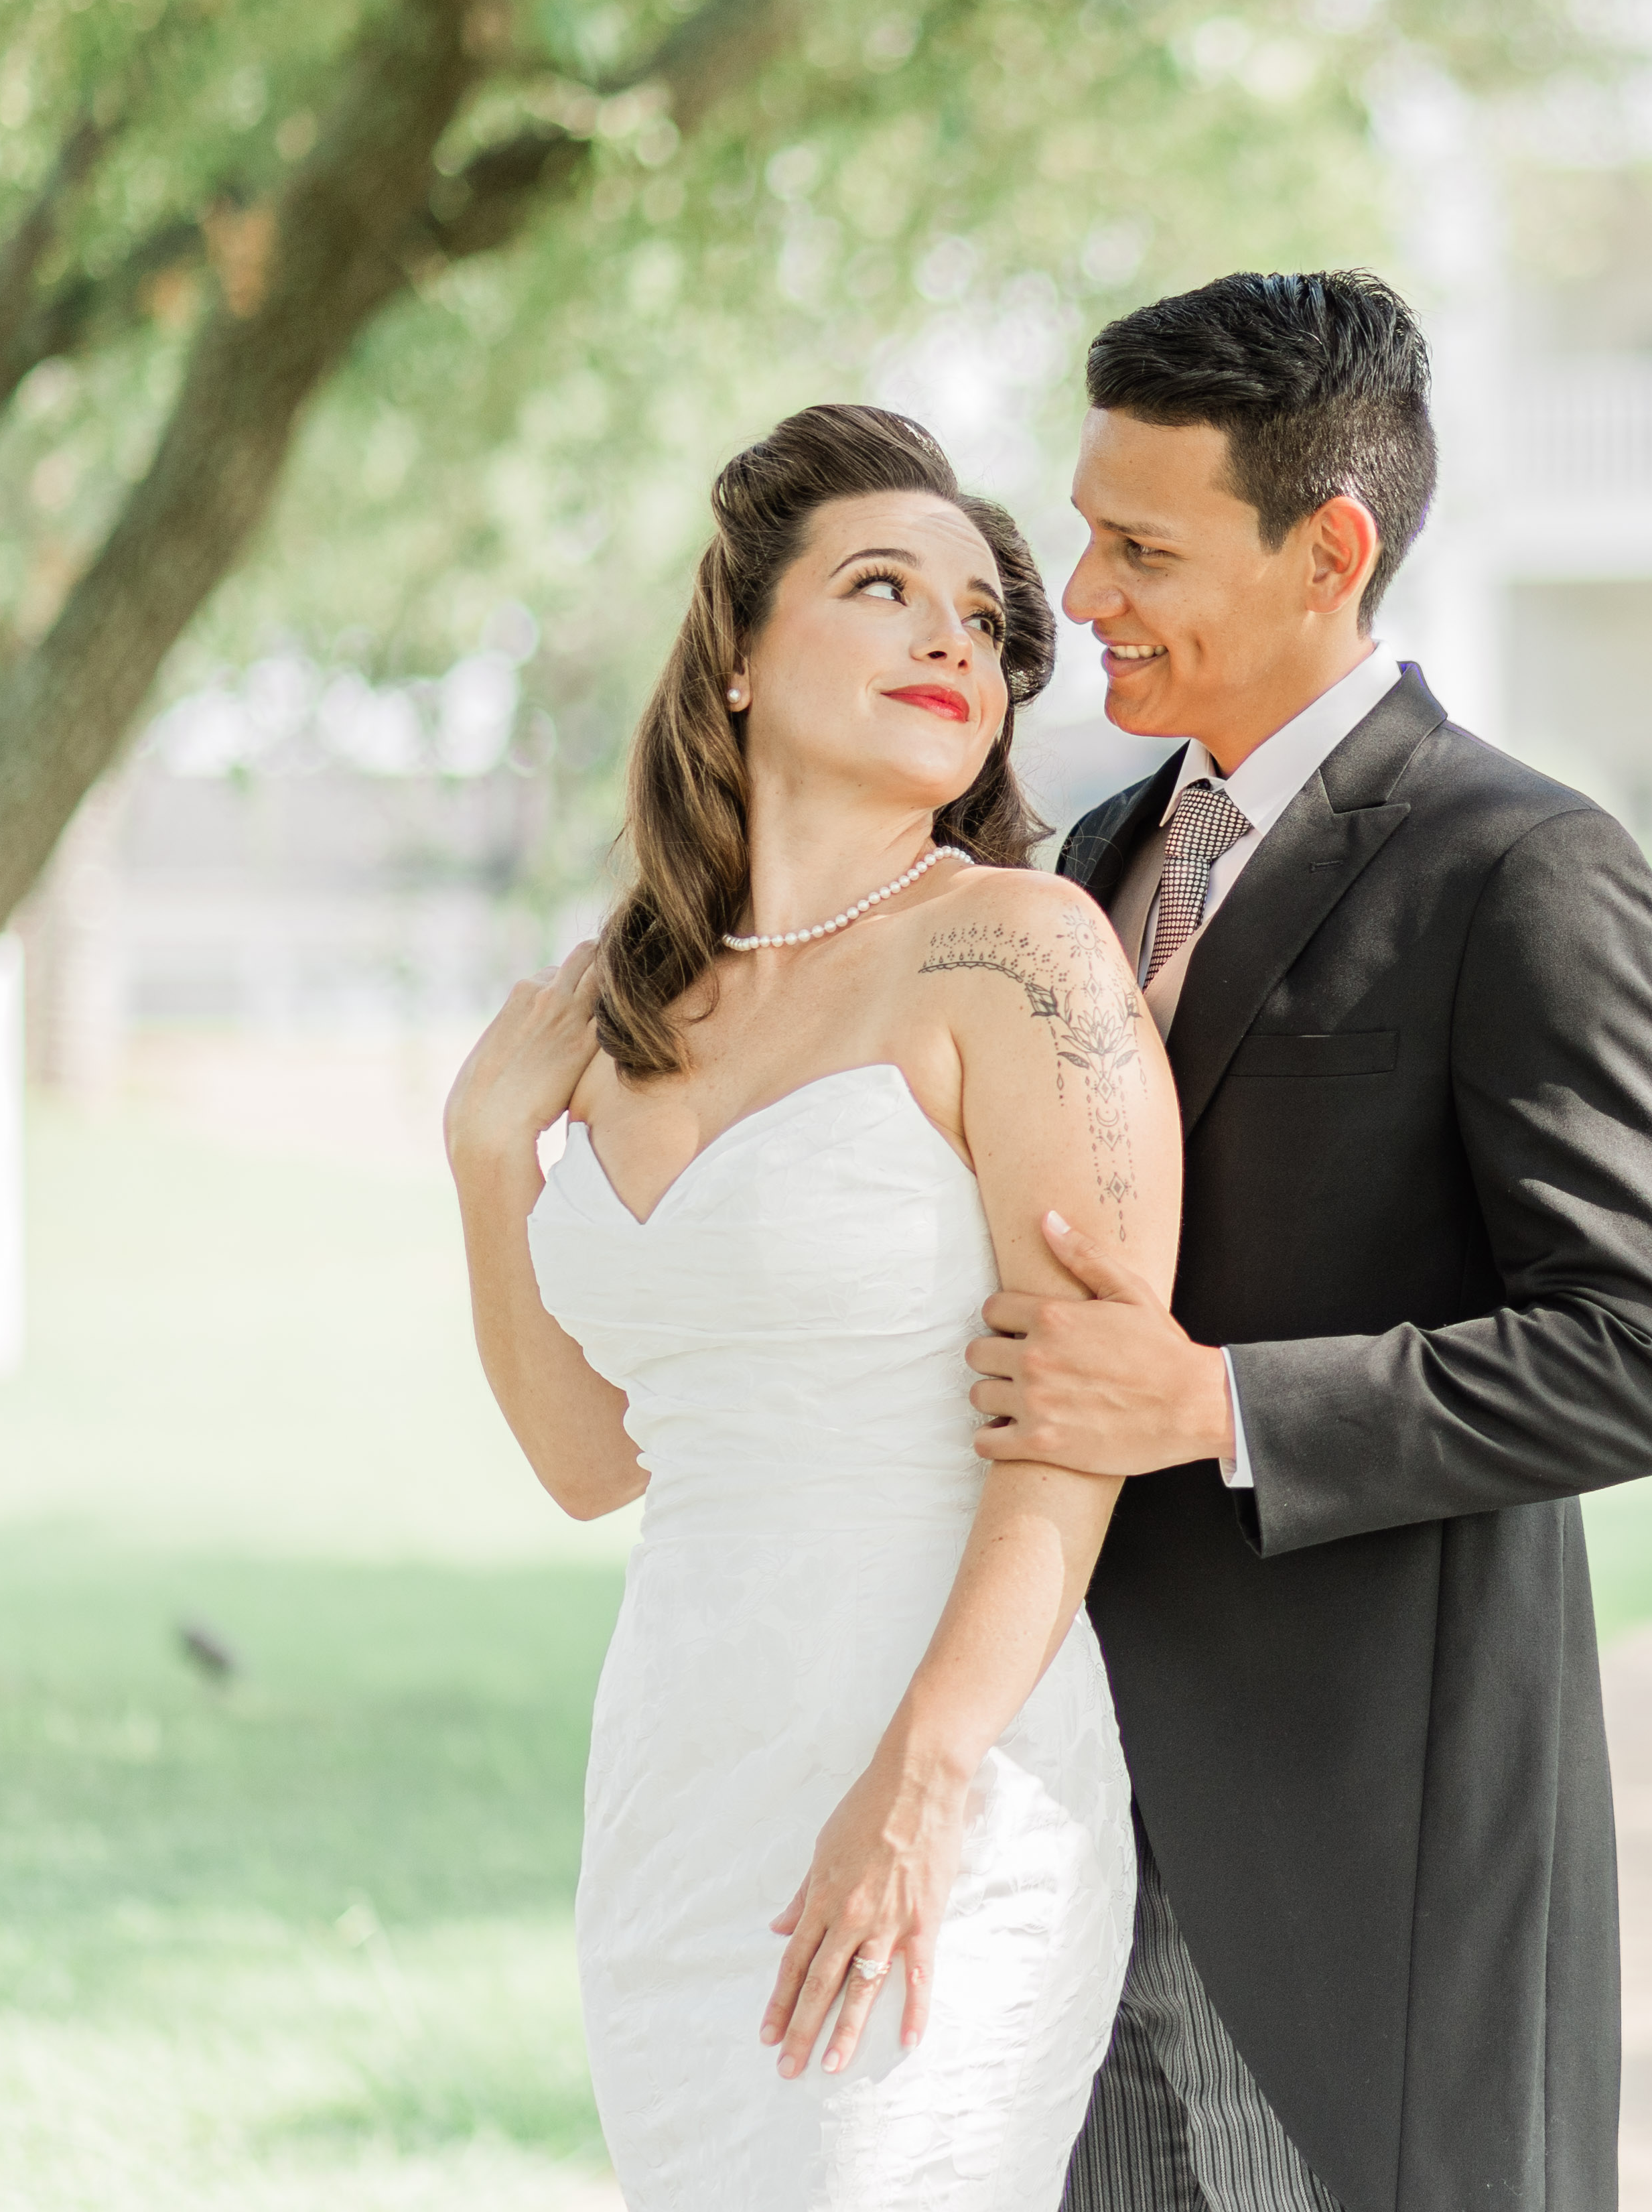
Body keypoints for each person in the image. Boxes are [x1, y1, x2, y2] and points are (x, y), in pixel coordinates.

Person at [967, 271, 1652, 2212]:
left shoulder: (1522, 869)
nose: (1086, 595)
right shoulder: (1092, 860)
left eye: (1142, 547)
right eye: (1084, 529)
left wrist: (1219, 1401)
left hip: (1356, 1870)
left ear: (1333, 551)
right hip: (1073, 1828)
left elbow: (1646, 1350)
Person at [441, 405, 1169, 2211]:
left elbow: (1076, 1430)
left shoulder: (1020, 951)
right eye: (881, 587)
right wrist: (482, 1159)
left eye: (986, 624)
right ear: (742, 658)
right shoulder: (632, 1002)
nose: (954, 639)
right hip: (683, 1785)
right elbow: (587, 1462)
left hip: (949, 1772)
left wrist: (924, 1779)